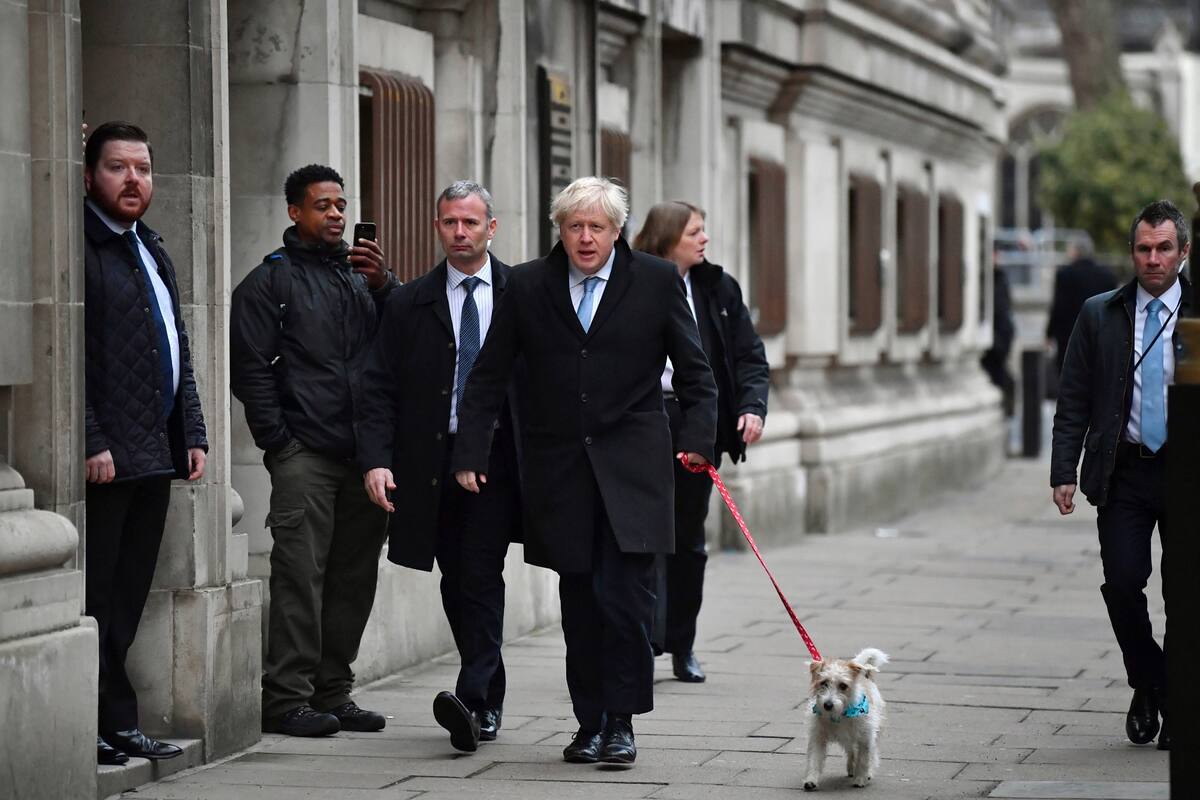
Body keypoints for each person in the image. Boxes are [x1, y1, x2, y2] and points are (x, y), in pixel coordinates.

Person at [452, 177, 718, 766]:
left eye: (597, 226)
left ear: (617, 231)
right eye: (575, 226)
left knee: (625, 600)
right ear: (561, 230)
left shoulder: (655, 280)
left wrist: (698, 441)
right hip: (561, 473)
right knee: (580, 604)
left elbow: (696, 374)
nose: (585, 238)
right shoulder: (528, 285)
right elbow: (489, 375)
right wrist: (470, 452)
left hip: (635, 470)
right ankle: (589, 722)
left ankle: (621, 723)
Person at [230, 164, 398, 737]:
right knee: (300, 575)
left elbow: (404, 340)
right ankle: (286, 699)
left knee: (354, 577)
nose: (335, 214)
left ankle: (333, 692)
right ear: (295, 212)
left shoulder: (361, 277)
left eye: (341, 205)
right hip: (306, 454)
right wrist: (280, 442)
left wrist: (385, 286)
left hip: (365, 458)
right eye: (322, 205)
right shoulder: (268, 282)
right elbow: (250, 370)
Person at [358, 181, 522, 752]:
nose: (460, 232)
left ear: (491, 228)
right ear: (437, 227)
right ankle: (486, 698)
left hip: (499, 460)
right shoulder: (410, 303)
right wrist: (376, 461)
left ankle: (474, 697)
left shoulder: (521, 292)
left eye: (471, 222)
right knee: (458, 576)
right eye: (450, 222)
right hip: (433, 460)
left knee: (479, 572)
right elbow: (378, 387)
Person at [83, 121, 208, 765]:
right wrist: (90, 439)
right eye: (117, 167)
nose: (133, 180)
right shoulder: (80, 247)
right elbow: (68, 356)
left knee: (129, 594)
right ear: (87, 176)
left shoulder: (150, 245)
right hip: (107, 459)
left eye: (143, 168)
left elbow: (175, 346)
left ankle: (117, 724)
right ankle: (94, 724)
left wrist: (192, 433)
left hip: (154, 452)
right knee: (97, 598)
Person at [1050, 199, 1193, 752]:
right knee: (1124, 583)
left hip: (1185, 472)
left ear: (1183, 252)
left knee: (1184, 594)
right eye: (1143, 249)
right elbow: (1073, 398)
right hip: (1123, 471)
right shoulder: (1099, 314)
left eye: (1164, 248)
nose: (1153, 259)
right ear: (1131, 252)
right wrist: (1064, 470)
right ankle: (1154, 683)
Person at [632, 201, 769, 683]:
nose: (704, 239)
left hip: (695, 420)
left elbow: (750, 355)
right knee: (642, 535)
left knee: (688, 539)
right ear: (667, 237)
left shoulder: (717, 287)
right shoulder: (631, 281)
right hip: (641, 420)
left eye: (703, 230)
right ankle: (643, 640)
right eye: (694, 231)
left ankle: (682, 644)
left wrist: (751, 406)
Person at [1046, 236, 1117, 376]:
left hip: (1069, 337)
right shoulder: (1108, 276)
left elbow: (1059, 307)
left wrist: (1049, 333)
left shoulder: (1065, 275)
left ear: (1075, 251)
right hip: (1100, 337)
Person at [981, 251, 1016, 416]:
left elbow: (1003, 309)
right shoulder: (995, 278)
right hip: (993, 339)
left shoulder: (999, 278)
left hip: (998, 339)